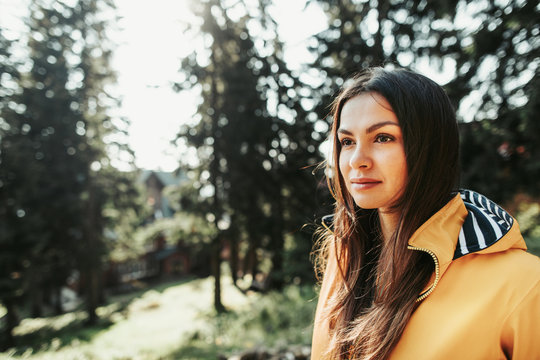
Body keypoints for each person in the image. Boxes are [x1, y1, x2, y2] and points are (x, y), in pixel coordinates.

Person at [311, 67, 540, 359]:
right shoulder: (343, 254)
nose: (357, 160)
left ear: (430, 147)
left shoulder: (523, 285)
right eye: (347, 141)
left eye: (383, 137)